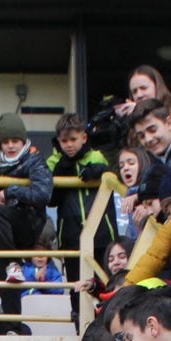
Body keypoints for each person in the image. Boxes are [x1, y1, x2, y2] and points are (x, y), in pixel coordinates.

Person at [0, 113, 54, 328]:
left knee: (6, 263)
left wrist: (11, 192)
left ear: (23, 141)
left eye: (15, 141)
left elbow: (43, 195)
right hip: (5, 229)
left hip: (28, 224)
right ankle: (14, 329)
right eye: (6, 142)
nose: (11, 146)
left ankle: (14, 262)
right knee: (3, 277)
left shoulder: (34, 159)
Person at [47, 114, 116, 281]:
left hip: (101, 231)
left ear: (84, 138)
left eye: (73, 139)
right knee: (75, 283)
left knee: (104, 281)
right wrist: (62, 167)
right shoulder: (53, 162)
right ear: (58, 140)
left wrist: (101, 169)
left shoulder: (97, 157)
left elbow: (117, 176)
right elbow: (50, 199)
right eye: (64, 141)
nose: (69, 145)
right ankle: (76, 309)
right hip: (71, 234)